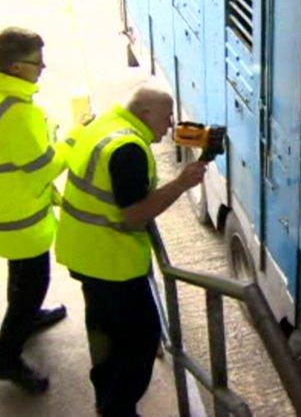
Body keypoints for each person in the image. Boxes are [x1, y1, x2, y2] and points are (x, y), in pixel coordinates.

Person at [55, 86, 207, 416]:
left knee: (102, 328)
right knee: (141, 339)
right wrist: (182, 183)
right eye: (166, 117)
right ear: (145, 114)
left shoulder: (106, 123)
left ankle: (105, 396)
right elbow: (134, 217)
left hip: (81, 251)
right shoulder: (129, 150)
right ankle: (118, 409)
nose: (170, 127)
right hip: (112, 262)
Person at [0, 27, 72, 393]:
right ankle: (5, 359)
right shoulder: (17, 114)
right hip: (20, 218)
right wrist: (72, 140)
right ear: (13, 66)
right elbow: (45, 167)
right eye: (35, 62)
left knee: (21, 278)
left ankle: (27, 321)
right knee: (32, 286)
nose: (42, 67)